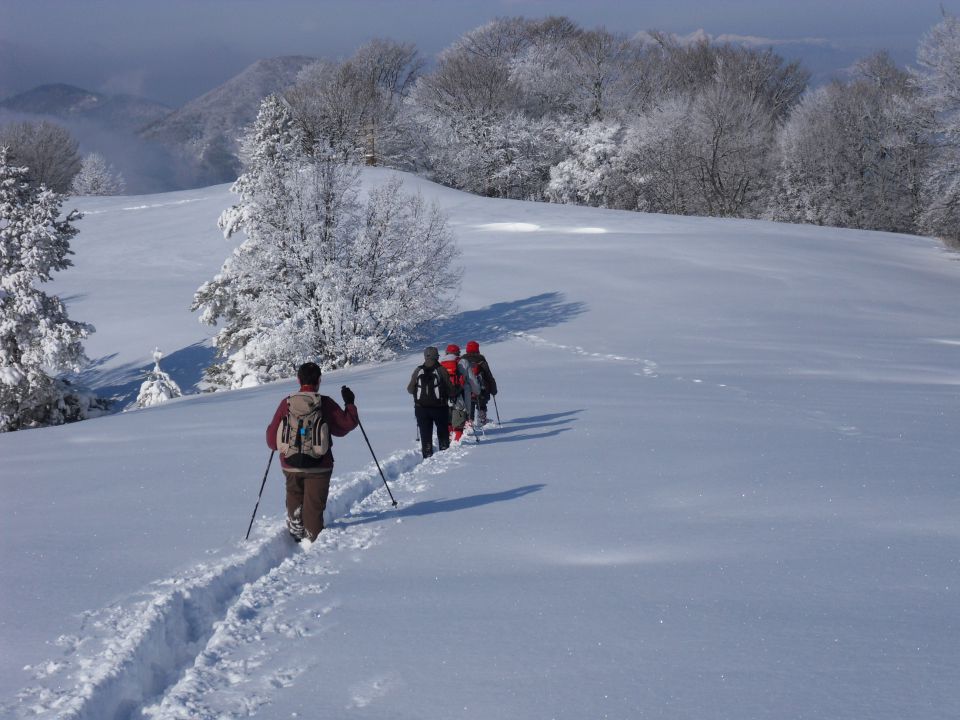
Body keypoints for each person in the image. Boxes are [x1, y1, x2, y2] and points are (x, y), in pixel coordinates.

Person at [266, 362, 359, 542]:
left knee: (294, 495)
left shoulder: (287, 403)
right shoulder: (324, 403)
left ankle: (295, 532)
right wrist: (350, 404)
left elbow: (272, 441)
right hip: (319, 465)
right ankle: (313, 542)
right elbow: (346, 426)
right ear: (319, 380)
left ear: (298, 379)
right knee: (313, 506)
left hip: (290, 464)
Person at [407, 346, 455, 458]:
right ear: (436, 357)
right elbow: (450, 390)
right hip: (440, 407)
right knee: (442, 430)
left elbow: (410, 389)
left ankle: (427, 453)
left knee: (425, 432)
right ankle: (444, 451)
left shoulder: (418, 370)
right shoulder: (441, 369)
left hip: (421, 408)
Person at [440, 343, 481, 442]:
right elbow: (472, 380)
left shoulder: (441, 363)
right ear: (458, 352)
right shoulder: (463, 362)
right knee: (459, 421)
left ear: (446, 352)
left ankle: (448, 439)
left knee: (448, 420)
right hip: (461, 395)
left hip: (445, 396)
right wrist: (477, 391)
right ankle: (456, 442)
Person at [462, 340, 498, 425]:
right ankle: (482, 419)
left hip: (468, 389)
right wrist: (493, 390)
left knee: (469, 405)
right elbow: (489, 376)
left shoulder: (462, 361)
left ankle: (469, 422)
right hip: (482, 389)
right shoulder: (482, 361)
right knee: (482, 404)